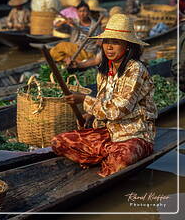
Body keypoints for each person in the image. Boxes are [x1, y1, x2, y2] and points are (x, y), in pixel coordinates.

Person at [51, 13, 157, 177]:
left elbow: (119, 110)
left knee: (121, 159)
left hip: (135, 135)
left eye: (115, 42)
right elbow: (104, 103)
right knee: (59, 142)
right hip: (108, 132)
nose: (109, 47)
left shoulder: (135, 69)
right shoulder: (103, 71)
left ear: (127, 46)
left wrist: (84, 100)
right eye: (107, 41)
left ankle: (104, 158)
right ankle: (104, 156)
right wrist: (90, 114)